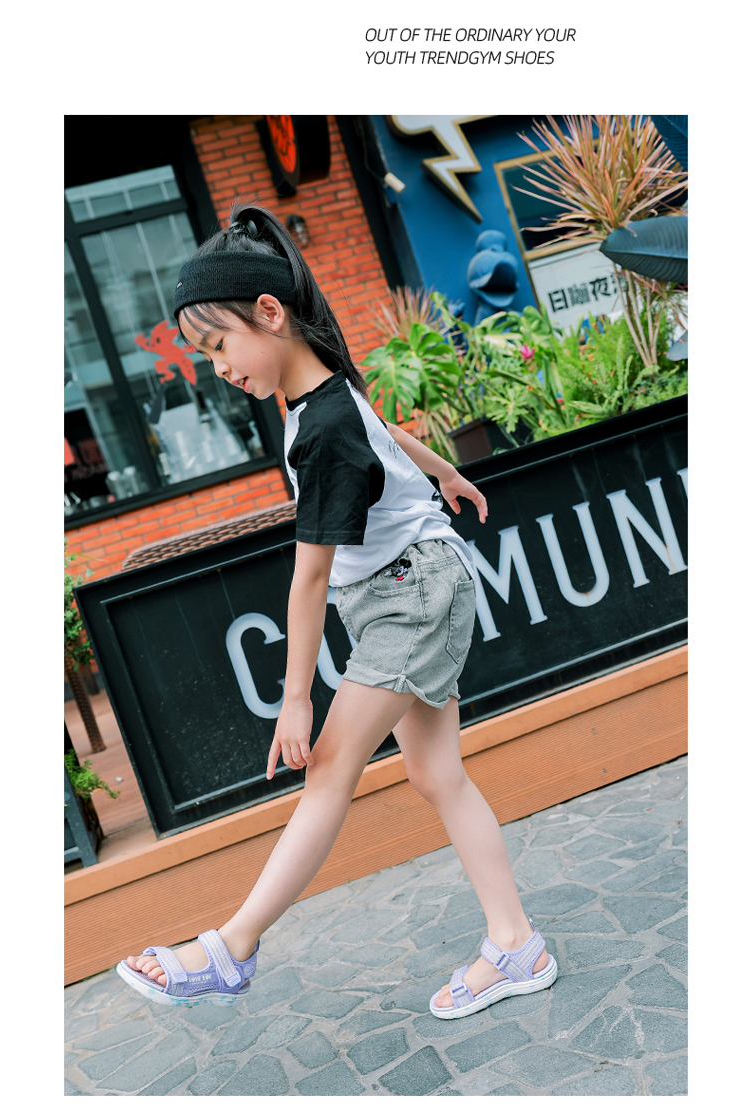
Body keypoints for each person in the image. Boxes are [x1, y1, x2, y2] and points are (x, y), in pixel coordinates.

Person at [116, 202, 558, 1019]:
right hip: (412, 585)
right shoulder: (320, 394)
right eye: (206, 354)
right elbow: (381, 427)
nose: (217, 367)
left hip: (408, 596)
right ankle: (516, 943)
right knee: (437, 772)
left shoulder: (319, 425)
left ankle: (231, 947)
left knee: (327, 769)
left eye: (219, 345)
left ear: (270, 313)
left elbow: (310, 577)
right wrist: (443, 472)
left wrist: (296, 699)